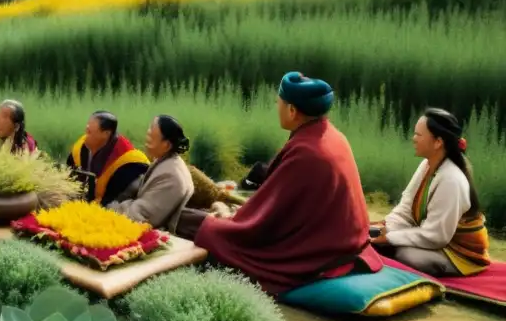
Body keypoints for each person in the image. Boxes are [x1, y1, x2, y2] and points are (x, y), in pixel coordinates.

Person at [194, 72, 381, 296]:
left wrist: (228, 216)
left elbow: (266, 220)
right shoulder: (332, 136)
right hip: (344, 239)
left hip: (323, 252)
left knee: (207, 227)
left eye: (278, 103)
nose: (277, 107)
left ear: (292, 111)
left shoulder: (306, 151)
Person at [370, 108, 490, 277]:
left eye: (418, 135)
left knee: (406, 255)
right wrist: (384, 229)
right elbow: (406, 209)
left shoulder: (452, 180)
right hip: (435, 240)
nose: (413, 139)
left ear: (438, 142)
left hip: (458, 253)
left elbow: (436, 236)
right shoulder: (427, 165)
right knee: (372, 234)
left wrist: (390, 238)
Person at [108, 115, 194, 233]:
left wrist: (112, 208)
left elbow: (139, 217)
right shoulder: (167, 161)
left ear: (166, 145)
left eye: (150, 137)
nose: (146, 139)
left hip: (167, 236)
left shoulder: (171, 177)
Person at [67, 111, 149, 206]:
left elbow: (117, 199)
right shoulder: (81, 148)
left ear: (106, 134)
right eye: (86, 130)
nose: (85, 136)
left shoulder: (131, 163)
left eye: (89, 132)